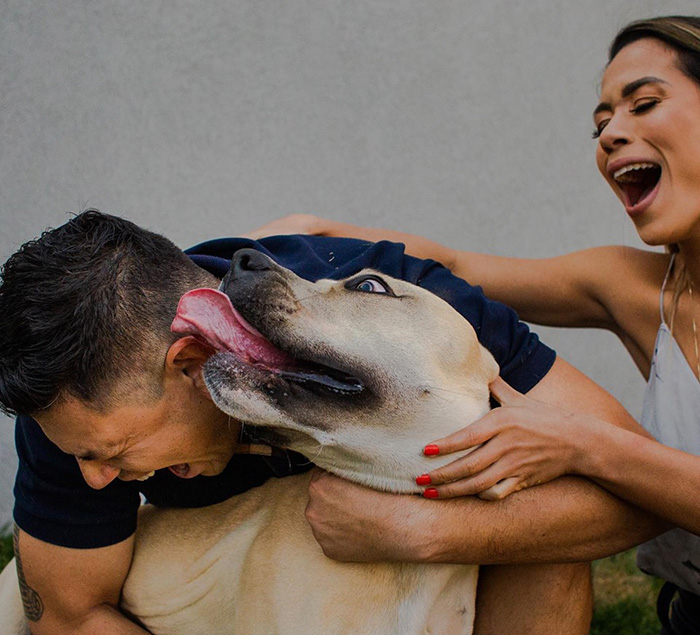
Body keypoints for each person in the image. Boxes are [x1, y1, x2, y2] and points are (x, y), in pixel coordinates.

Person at [245, 15, 700, 635]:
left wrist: (583, 442)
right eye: (600, 125)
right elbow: (452, 267)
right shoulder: (630, 285)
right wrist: (325, 235)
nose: (612, 134)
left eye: (643, 103)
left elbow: (589, 449)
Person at [0, 211, 663, 635]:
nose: (97, 477)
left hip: (405, 527)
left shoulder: (406, 312)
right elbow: (71, 612)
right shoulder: (72, 399)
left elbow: (642, 491)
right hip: (236, 579)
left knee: (544, 524)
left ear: (192, 359)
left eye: (113, 451)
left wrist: (429, 531)